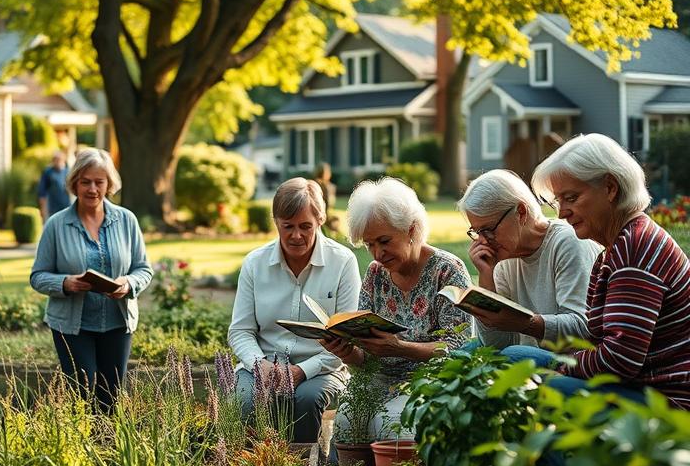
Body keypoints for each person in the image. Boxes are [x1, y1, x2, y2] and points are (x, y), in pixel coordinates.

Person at [506, 133, 690, 409]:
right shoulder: (619, 245)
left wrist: (565, 369)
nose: (562, 214)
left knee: (547, 386)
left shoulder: (634, 250)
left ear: (610, 187)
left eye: (571, 198)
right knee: (514, 356)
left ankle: (535, 452)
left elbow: (620, 359)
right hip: (633, 383)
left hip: (665, 400)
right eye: (558, 202)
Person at [326, 177, 471, 435]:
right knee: (347, 421)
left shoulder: (448, 271)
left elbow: (457, 349)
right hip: (378, 378)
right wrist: (345, 352)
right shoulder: (375, 274)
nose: (377, 254)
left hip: (430, 379)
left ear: (412, 230)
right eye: (370, 244)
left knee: (392, 424)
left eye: (384, 241)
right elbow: (365, 357)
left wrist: (401, 348)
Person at [228, 178, 361, 443]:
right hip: (263, 364)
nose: (296, 235)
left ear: (320, 220)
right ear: (276, 221)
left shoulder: (343, 262)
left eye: (305, 226)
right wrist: (259, 365)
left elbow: (348, 337)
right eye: (287, 226)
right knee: (244, 402)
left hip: (321, 368)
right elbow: (240, 331)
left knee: (306, 401)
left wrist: (302, 371)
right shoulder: (255, 263)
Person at [30, 148, 153, 411]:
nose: (92, 189)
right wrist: (65, 283)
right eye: (85, 181)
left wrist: (128, 284)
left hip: (117, 324)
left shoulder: (126, 220)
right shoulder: (56, 224)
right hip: (72, 327)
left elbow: (144, 269)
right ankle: (80, 449)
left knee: (111, 397)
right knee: (81, 396)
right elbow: (38, 276)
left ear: (110, 184)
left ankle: (108, 449)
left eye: (99, 181)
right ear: (74, 183)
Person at [458, 169, 599, 349]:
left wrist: (525, 323)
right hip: (527, 358)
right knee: (465, 350)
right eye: (477, 232)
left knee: (515, 354)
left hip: (573, 362)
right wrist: (486, 280)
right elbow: (496, 346)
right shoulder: (502, 259)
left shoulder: (568, 243)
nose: (483, 241)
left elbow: (582, 327)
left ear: (521, 212)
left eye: (488, 229)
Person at [37, 150, 71, 221]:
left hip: (67, 206)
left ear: (63, 160)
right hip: (52, 208)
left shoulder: (68, 171)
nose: (58, 162)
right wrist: (43, 209)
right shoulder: (48, 172)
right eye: (55, 160)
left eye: (59, 160)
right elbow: (42, 192)